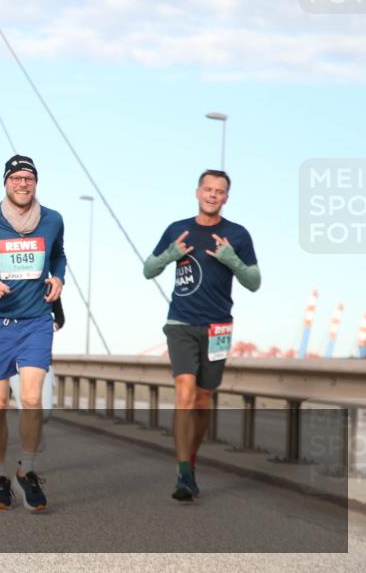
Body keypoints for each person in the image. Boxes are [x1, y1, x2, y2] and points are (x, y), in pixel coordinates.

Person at [143, 169, 260, 502]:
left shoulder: (237, 234)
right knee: (185, 391)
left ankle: (190, 460)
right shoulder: (177, 230)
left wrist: (232, 260)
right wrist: (170, 255)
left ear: (226, 198)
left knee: (203, 398)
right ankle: (183, 474)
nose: (212, 195)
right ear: (197, 192)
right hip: (180, 323)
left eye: (219, 191)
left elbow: (254, 282)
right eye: (207, 189)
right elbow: (148, 270)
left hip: (218, 327)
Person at [0, 155, 65, 512]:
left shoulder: (52, 220)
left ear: (36, 183)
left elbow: (59, 255)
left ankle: (27, 470)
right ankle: (0, 476)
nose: (22, 183)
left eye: (28, 178)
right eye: (16, 178)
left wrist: (59, 278)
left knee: (32, 400)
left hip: (36, 321)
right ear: (6, 183)